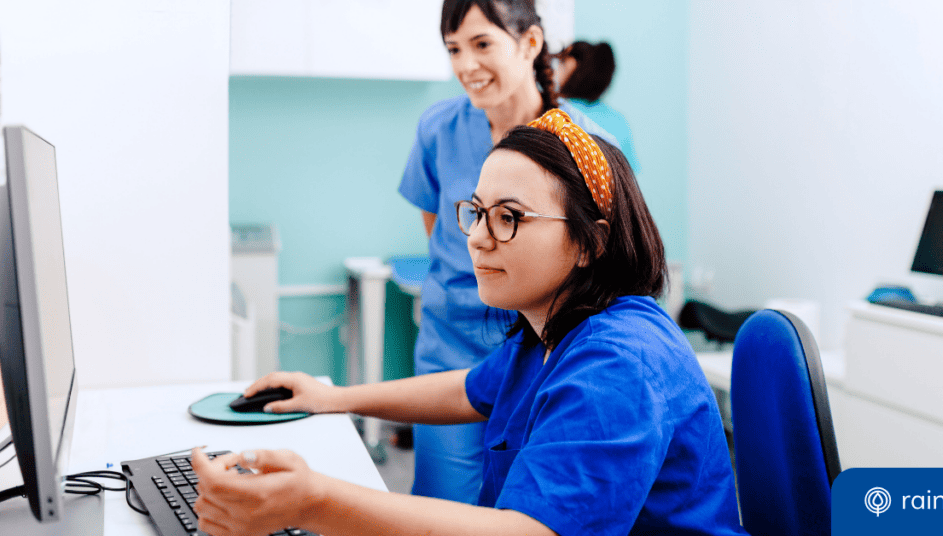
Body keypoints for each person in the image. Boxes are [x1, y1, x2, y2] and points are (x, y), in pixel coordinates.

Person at [191, 109, 747, 536]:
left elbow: (530, 533)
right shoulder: (553, 329)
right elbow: (468, 389)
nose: (477, 237)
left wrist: (311, 501)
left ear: (589, 243)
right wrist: (334, 397)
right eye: (477, 212)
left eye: (510, 218)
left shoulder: (617, 364)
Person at [397, 0, 615, 504]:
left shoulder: (581, 144)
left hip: (542, 353)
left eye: (482, 44)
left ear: (531, 43)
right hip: (450, 349)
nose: (465, 66)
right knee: (441, 510)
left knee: (525, 508)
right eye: (453, 49)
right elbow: (447, 237)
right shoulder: (439, 130)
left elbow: (601, 261)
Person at [555, 40, 639, 171]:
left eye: (562, 62)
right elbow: (629, 179)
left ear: (574, 66)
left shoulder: (557, 112)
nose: (556, 69)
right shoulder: (619, 122)